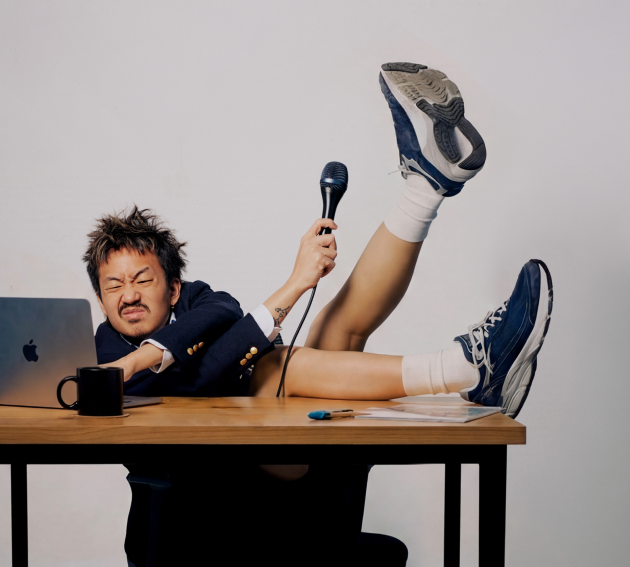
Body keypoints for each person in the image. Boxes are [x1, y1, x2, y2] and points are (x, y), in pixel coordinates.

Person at [84, 61, 553, 421]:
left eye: (142, 278)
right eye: (112, 286)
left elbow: (225, 314)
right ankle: (464, 368)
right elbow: (203, 378)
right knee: (272, 369)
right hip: (240, 489)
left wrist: (152, 352)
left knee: (336, 326)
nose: (127, 295)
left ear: (174, 289)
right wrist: (296, 282)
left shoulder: (200, 303)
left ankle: (425, 187)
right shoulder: (105, 352)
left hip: (291, 442)